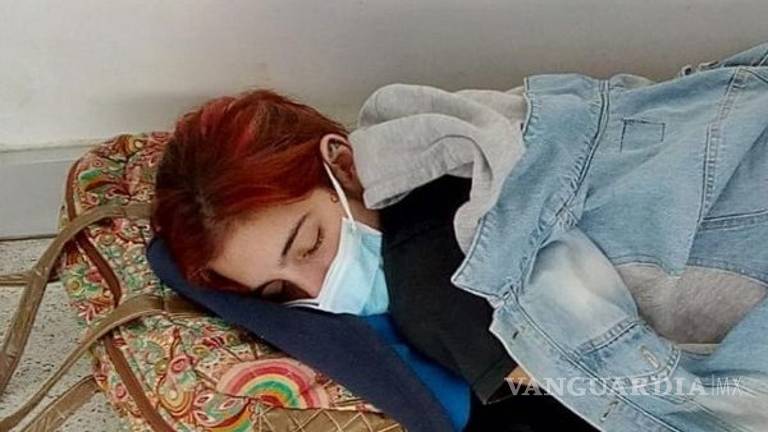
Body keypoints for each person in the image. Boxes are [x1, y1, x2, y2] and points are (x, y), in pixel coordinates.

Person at [153, 41, 768, 431]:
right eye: (279, 293)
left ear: (343, 163)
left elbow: (628, 401)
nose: (322, 289)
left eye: (310, 244)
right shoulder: (439, 129)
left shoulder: (433, 290)